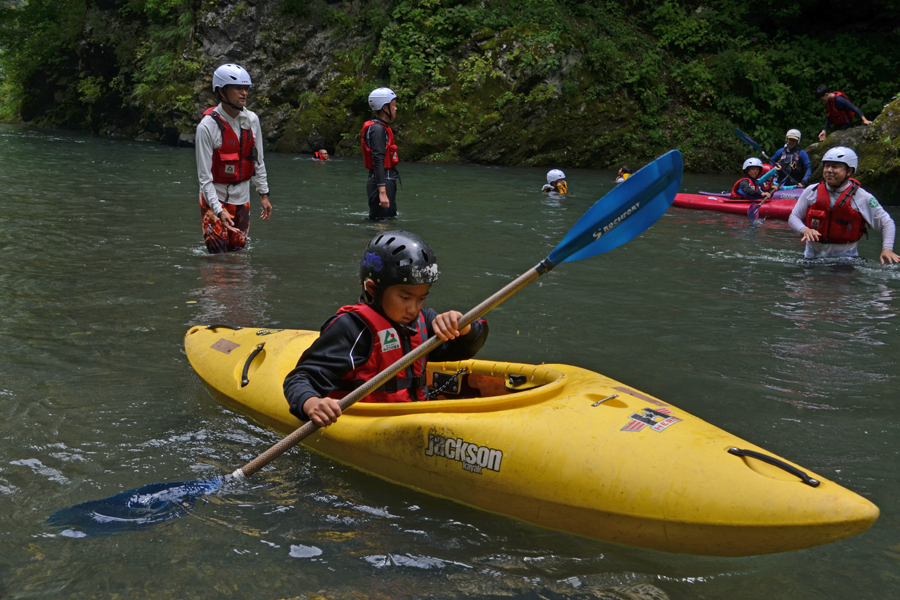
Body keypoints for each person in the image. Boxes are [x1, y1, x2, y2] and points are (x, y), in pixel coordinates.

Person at [283, 231, 490, 426]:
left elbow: (467, 348)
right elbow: (299, 378)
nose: (413, 308)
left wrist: (463, 327)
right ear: (373, 289)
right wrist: (310, 403)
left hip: (415, 416)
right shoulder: (352, 329)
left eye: (421, 298)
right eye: (405, 297)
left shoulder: (423, 320)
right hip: (370, 424)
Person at [196, 63, 272, 254]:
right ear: (222, 91)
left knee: (237, 254)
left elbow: (257, 161)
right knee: (217, 256)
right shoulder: (207, 127)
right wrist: (219, 210)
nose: (244, 93)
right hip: (215, 198)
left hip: (242, 199)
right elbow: (205, 179)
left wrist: (264, 195)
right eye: (238, 88)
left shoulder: (252, 120)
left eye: (246, 88)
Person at [788, 147, 899, 264]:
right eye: (826, 166)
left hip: (845, 260)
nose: (829, 170)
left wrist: (887, 249)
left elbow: (887, 223)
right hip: (811, 258)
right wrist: (804, 229)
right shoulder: (811, 191)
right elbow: (793, 217)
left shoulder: (862, 197)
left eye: (835, 166)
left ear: (849, 171)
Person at [361, 88, 400, 220]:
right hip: (382, 182)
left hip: (386, 180)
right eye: (393, 105)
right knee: (381, 222)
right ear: (385, 107)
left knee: (388, 219)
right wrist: (382, 192)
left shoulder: (382, 127)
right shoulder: (377, 130)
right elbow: (378, 160)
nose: (396, 108)